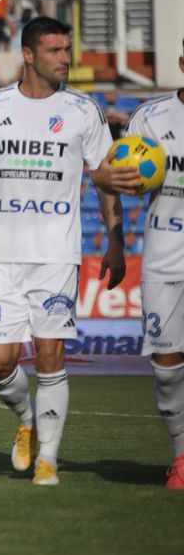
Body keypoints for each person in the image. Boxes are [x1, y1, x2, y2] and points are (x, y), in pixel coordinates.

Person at [0, 16, 139, 487]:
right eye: (55, 50)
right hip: (3, 254)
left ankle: (48, 458)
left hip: (56, 254)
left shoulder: (83, 111)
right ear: (28, 55)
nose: (66, 58)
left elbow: (107, 177)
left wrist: (115, 238)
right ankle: (28, 420)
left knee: (50, 355)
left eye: (67, 49)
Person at [123, 41, 184, 489]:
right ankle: (181, 454)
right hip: (163, 257)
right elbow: (124, 178)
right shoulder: (151, 118)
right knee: (166, 368)